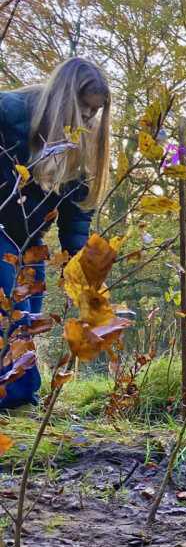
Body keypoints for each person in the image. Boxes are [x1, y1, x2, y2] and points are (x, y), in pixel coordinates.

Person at [0, 57, 111, 409]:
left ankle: (18, 404)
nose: (89, 120)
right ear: (65, 98)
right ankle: (19, 403)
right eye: (84, 109)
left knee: (28, 325)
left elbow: (76, 220)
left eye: (95, 113)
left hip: (30, 242)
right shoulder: (8, 115)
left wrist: (86, 284)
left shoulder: (80, 146)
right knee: (14, 323)